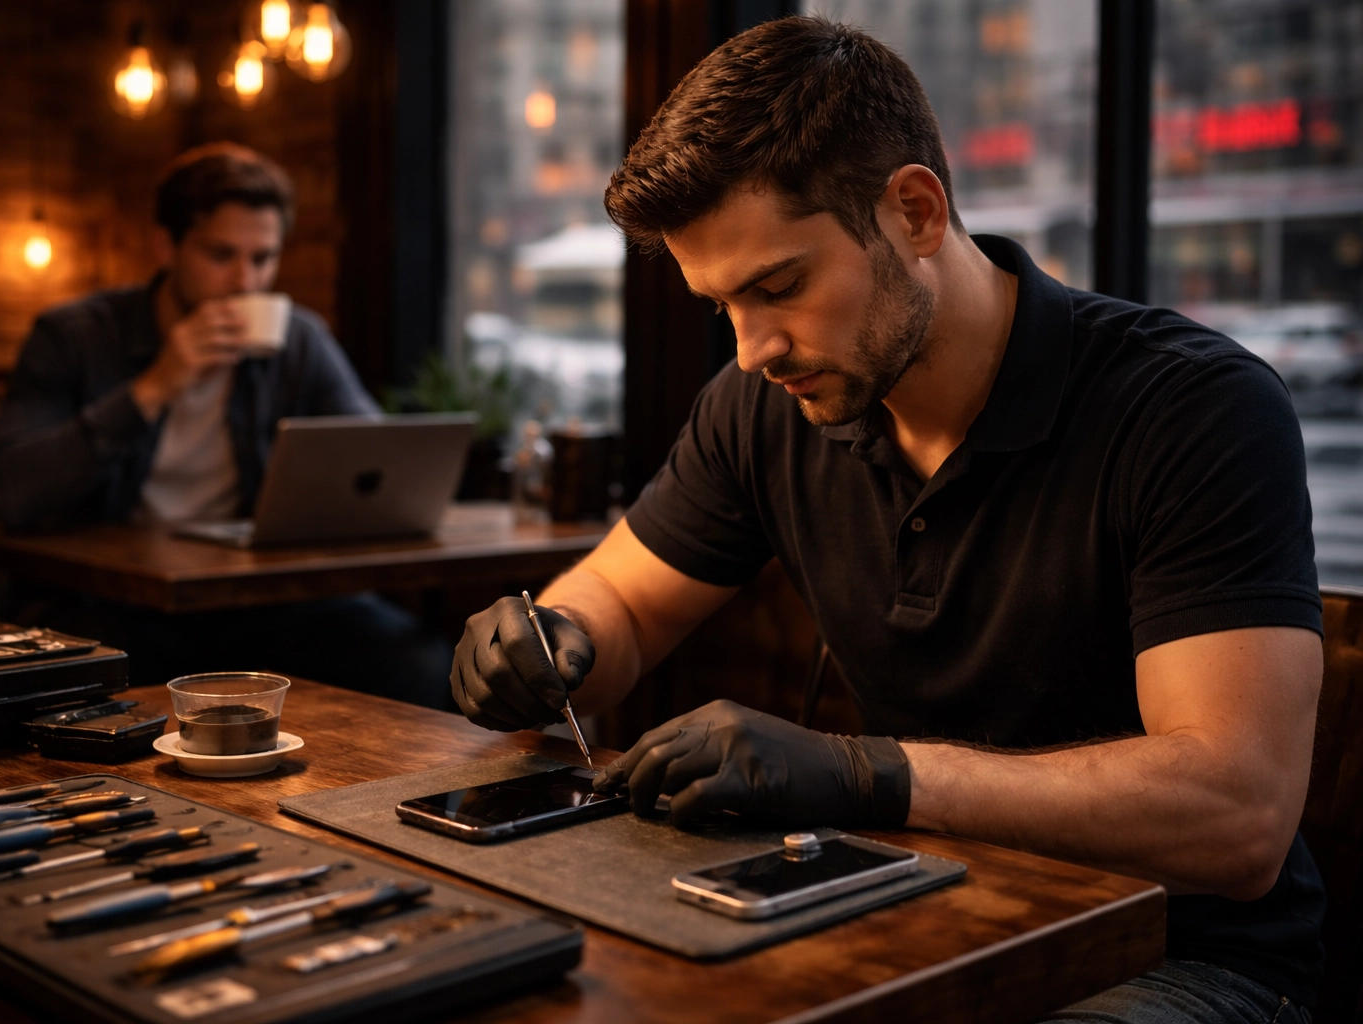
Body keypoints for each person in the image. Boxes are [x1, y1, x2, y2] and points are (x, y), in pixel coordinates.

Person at [450, 18, 1322, 1024]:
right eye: (721, 305)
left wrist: (870, 775)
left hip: (1177, 959)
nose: (752, 348)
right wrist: (555, 638)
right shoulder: (768, 404)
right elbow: (624, 607)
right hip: (901, 913)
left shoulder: (1192, 410)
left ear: (913, 210)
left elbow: (1237, 814)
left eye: (779, 286)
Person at [0, 143, 448, 705]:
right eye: (221, 255)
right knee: (85, 679)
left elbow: (377, 461)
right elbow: (11, 489)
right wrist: (154, 386)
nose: (244, 282)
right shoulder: (75, 336)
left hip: (255, 603)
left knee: (421, 665)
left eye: (262, 258)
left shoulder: (296, 340)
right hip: (110, 603)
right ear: (166, 247)